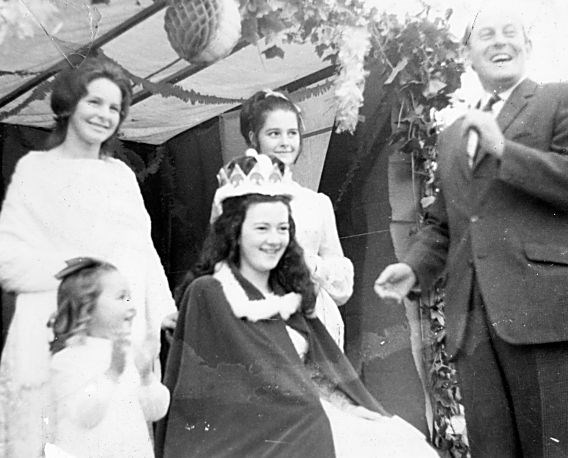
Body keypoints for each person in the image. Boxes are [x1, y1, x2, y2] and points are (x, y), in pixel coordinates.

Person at [374, 4, 568, 457]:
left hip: (543, 316)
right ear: (469, 56)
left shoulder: (563, 97)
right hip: (472, 323)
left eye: (510, 32)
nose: (500, 41)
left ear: (528, 45)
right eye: (486, 35)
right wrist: (414, 268)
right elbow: (445, 221)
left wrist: (504, 150)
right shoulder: (453, 134)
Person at [156, 153, 436, 457]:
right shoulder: (210, 290)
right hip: (255, 435)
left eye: (282, 228)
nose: (274, 240)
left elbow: (319, 372)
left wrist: (347, 406)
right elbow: (242, 388)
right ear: (233, 232)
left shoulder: (285, 290)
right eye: (261, 228)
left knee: (402, 442)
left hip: (305, 417)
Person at [0, 57, 176, 457]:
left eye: (114, 108)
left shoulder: (122, 175)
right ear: (68, 106)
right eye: (94, 102)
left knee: (118, 429)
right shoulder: (38, 170)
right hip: (65, 325)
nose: (104, 115)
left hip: (120, 325)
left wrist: (162, 308)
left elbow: (143, 249)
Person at [237, 89, 352, 349]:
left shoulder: (316, 203)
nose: (285, 142)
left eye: (292, 133)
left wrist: (314, 266)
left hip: (317, 322)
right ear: (255, 138)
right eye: (274, 133)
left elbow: (342, 288)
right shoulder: (238, 196)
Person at [46, 257, 169, 458]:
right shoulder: (67, 361)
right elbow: (84, 416)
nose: (132, 305)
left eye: (130, 296)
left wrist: (147, 377)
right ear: (87, 306)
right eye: (121, 297)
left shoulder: (130, 353)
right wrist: (112, 373)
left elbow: (156, 412)